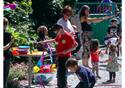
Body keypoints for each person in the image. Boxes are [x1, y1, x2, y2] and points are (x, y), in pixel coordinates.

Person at [4, 17, 13, 88]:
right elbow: (5, 48)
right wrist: (11, 42)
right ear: (6, 25)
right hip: (6, 57)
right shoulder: (7, 34)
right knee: (4, 77)